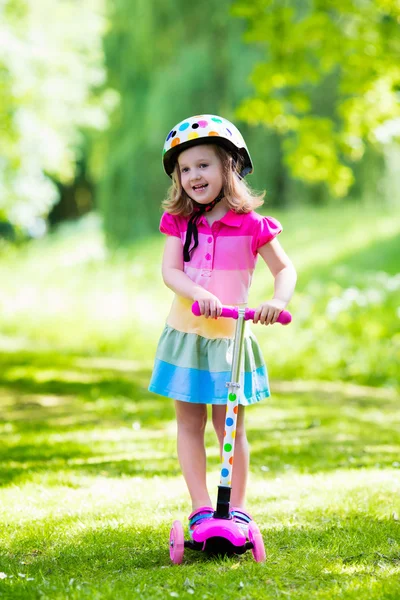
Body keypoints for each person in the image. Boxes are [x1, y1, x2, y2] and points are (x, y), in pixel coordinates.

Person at [148, 114, 296, 538]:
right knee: (189, 423)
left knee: (231, 426)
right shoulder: (179, 221)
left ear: (229, 167)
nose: (194, 175)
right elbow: (170, 272)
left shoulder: (252, 224)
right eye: (185, 168)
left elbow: (285, 269)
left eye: (203, 165)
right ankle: (200, 508)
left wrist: (276, 300)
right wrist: (198, 293)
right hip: (188, 337)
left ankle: (238, 510)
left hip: (230, 342)